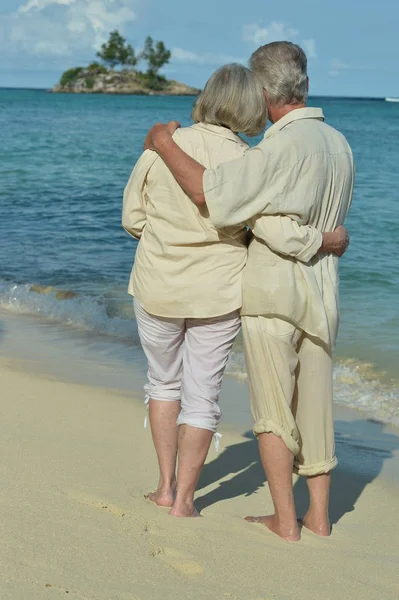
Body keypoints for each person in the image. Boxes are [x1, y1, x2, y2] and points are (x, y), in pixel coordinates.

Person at [143, 42, 354, 537]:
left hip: (274, 292)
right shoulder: (340, 144)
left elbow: (213, 195)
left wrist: (165, 144)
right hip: (323, 293)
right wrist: (324, 239)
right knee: (318, 405)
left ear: (262, 91)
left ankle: (285, 520)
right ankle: (319, 516)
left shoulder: (277, 148)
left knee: (275, 411)